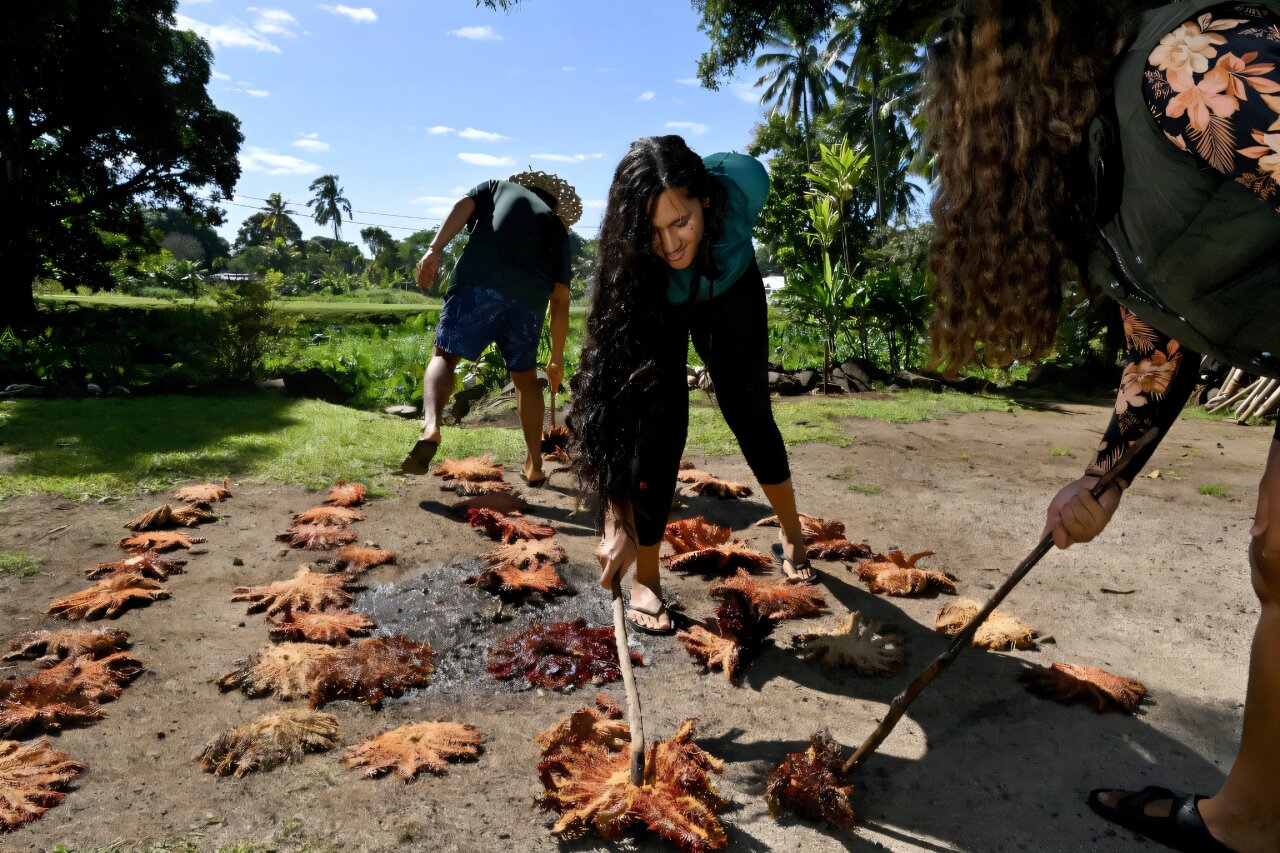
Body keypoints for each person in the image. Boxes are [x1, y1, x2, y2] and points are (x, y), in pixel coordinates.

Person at [924, 1, 1280, 850]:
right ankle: (1256, 815)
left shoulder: (1182, 64)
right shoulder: (1105, 171)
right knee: (1277, 558)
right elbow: (1160, 345)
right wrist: (1103, 479)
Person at [569, 135, 817, 637]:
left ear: (706, 199)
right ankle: (648, 576)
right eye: (654, 230)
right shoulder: (641, 260)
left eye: (680, 222)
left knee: (748, 412)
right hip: (663, 299)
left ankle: (792, 535)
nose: (670, 243)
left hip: (731, 289)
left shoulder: (744, 183)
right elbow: (618, 402)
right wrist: (615, 514)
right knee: (659, 423)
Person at [396, 170, 580, 485]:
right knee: (524, 380)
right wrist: (557, 357)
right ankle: (535, 465)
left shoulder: (498, 187)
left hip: (478, 282)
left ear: (526, 187)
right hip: (528, 301)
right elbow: (560, 300)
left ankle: (431, 428)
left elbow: (463, 206)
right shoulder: (558, 231)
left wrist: (434, 249)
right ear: (554, 205)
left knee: (444, 356)